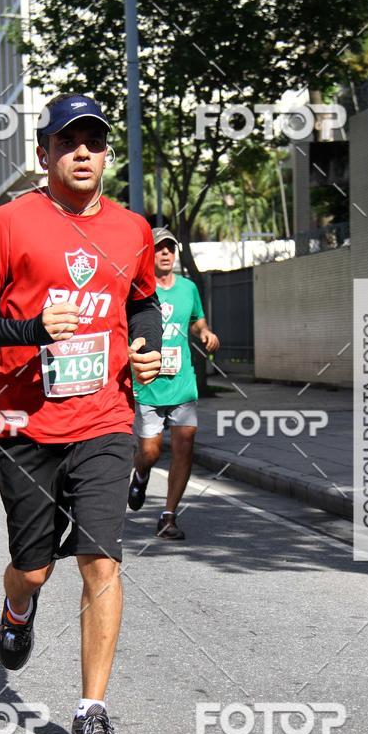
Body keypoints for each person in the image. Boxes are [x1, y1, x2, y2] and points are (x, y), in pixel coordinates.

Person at [0, 92, 162, 734]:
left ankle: (90, 713)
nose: (82, 152)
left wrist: (146, 348)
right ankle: (17, 608)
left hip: (103, 417)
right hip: (23, 424)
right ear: (43, 153)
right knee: (35, 569)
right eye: (68, 141)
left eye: (94, 142)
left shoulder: (133, 229)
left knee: (101, 559)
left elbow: (146, 303)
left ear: (105, 155)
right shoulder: (11, 223)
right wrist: (29, 331)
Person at [128, 228, 220, 539]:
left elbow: (196, 320)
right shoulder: (138, 291)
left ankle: (168, 516)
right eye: (159, 248)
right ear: (148, 255)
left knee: (185, 445)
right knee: (151, 452)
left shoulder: (188, 288)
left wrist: (205, 333)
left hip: (182, 383)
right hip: (148, 385)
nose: (166, 253)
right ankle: (140, 474)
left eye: (170, 248)